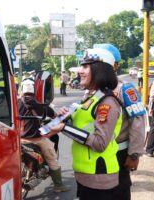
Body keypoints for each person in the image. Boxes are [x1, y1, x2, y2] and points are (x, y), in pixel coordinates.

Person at [48, 48, 123, 200]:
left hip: (99, 178)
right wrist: (65, 118)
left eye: (85, 67)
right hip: (86, 176)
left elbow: (100, 143)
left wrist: (65, 127)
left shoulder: (106, 102)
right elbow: (83, 126)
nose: (80, 71)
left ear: (99, 70)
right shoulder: (92, 97)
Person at [94, 43, 146, 200]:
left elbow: (137, 122)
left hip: (118, 153)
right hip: (94, 153)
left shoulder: (125, 89)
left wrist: (134, 154)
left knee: (118, 192)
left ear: (115, 66)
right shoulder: (91, 90)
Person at [18, 79, 70, 193]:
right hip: (37, 140)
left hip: (19, 140)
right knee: (52, 158)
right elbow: (56, 116)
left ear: (21, 90)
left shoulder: (15, 103)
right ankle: (58, 186)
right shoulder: (41, 105)